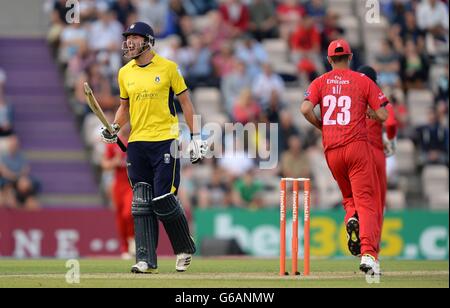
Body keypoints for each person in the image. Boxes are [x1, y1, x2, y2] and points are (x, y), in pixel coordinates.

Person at [101, 22, 208, 274]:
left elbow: (186, 103)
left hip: (165, 139)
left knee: (163, 198)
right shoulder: (125, 72)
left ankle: (183, 247)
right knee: (141, 202)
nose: (129, 42)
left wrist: (195, 136)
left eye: (134, 38)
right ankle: (146, 259)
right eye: (127, 38)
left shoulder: (169, 68)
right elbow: (124, 108)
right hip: (137, 142)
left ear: (148, 41)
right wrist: (114, 128)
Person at [301, 39, 388, 275]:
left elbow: (305, 109)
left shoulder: (320, 81)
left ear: (329, 60)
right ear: (350, 58)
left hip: (332, 149)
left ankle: (351, 218)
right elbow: (383, 114)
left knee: (349, 196)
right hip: (357, 147)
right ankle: (368, 254)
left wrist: (322, 126)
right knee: (367, 201)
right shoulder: (363, 80)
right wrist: (371, 113)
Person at [358, 65, 398, 257]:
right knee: (377, 204)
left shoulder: (353, 98)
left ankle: (355, 223)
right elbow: (391, 123)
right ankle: (373, 251)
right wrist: (389, 139)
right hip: (375, 152)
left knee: (358, 200)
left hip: (356, 152)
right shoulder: (379, 98)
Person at [101, 124, 134, 260]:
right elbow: (105, 164)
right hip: (118, 184)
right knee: (120, 217)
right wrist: (115, 162)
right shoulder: (114, 143)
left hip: (131, 183)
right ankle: (125, 248)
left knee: (128, 213)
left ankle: (132, 239)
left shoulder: (135, 142)